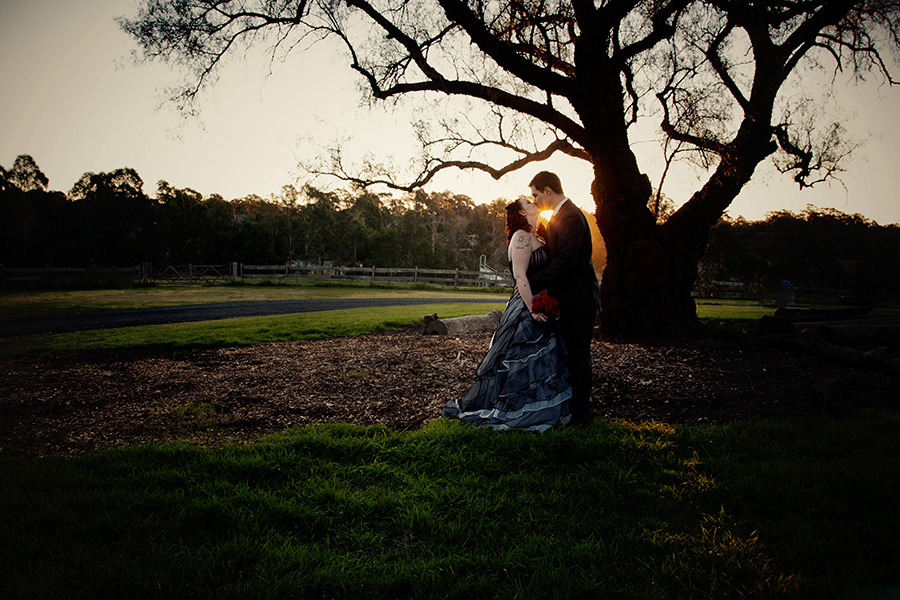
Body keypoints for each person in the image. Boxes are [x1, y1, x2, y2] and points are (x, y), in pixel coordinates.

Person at [441, 196, 572, 431]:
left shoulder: (536, 235)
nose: (534, 203)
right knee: (520, 359)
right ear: (521, 213)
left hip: (542, 302)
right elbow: (520, 276)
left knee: (542, 361)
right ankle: (519, 408)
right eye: (528, 203)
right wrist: (533, 308)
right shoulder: (521, 237)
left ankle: (542, 404)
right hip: (527, 307)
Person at [527, 171, 601, 427]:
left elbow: (565, 262)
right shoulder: (558, 217)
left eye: (536, 194)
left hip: (580, 300)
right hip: (569, 298)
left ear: (548, 190)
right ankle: (571, 408)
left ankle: (581, 416)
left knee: (578, 355)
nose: (534, 201)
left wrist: (529, 283)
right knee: (569, 354)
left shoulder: (570, 216)